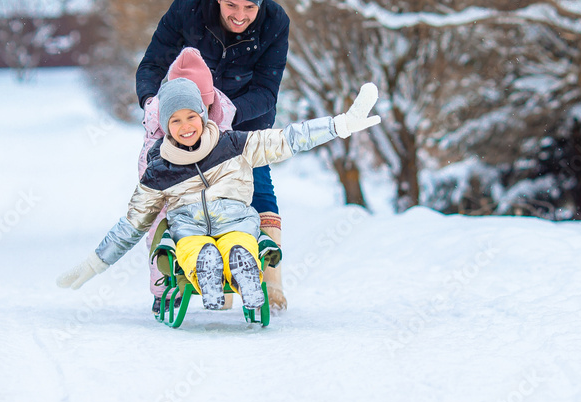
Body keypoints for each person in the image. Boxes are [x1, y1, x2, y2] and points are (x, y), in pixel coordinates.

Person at [56, 78, 381, 310]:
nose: (186, 126)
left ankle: (246, 276)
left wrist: (339, 126)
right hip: (190, 230)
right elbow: (133, 224)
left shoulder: (233, 145)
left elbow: (286, 140)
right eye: (176, 120)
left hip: (235, 223)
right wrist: (94, 263)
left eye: (191, 117)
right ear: (166, 126)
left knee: (238, 242)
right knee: (194, 249)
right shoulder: (160, 167)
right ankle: (207, 274)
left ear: (203, 115)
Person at [135, 0, 291, 309]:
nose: (239, 14)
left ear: (260, 3)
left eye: (249, 6)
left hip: (245, 120)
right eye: (231, 4)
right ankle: (174, 280)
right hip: (187, 123)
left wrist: (224, 119)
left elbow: (267, 91)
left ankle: (269, 279)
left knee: (258, 188)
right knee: (173, 199)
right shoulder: (188, 8)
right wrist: (154, 105)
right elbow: (153, 63)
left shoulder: (274, 21)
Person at [139, 47, 235, 312]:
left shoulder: (220, 125)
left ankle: (223, 272)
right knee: (160, 234)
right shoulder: (156, 141)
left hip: (210, 203)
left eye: (201, 108)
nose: (191, 121)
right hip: (168, 202)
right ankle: (163, 287)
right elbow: (149, 185)